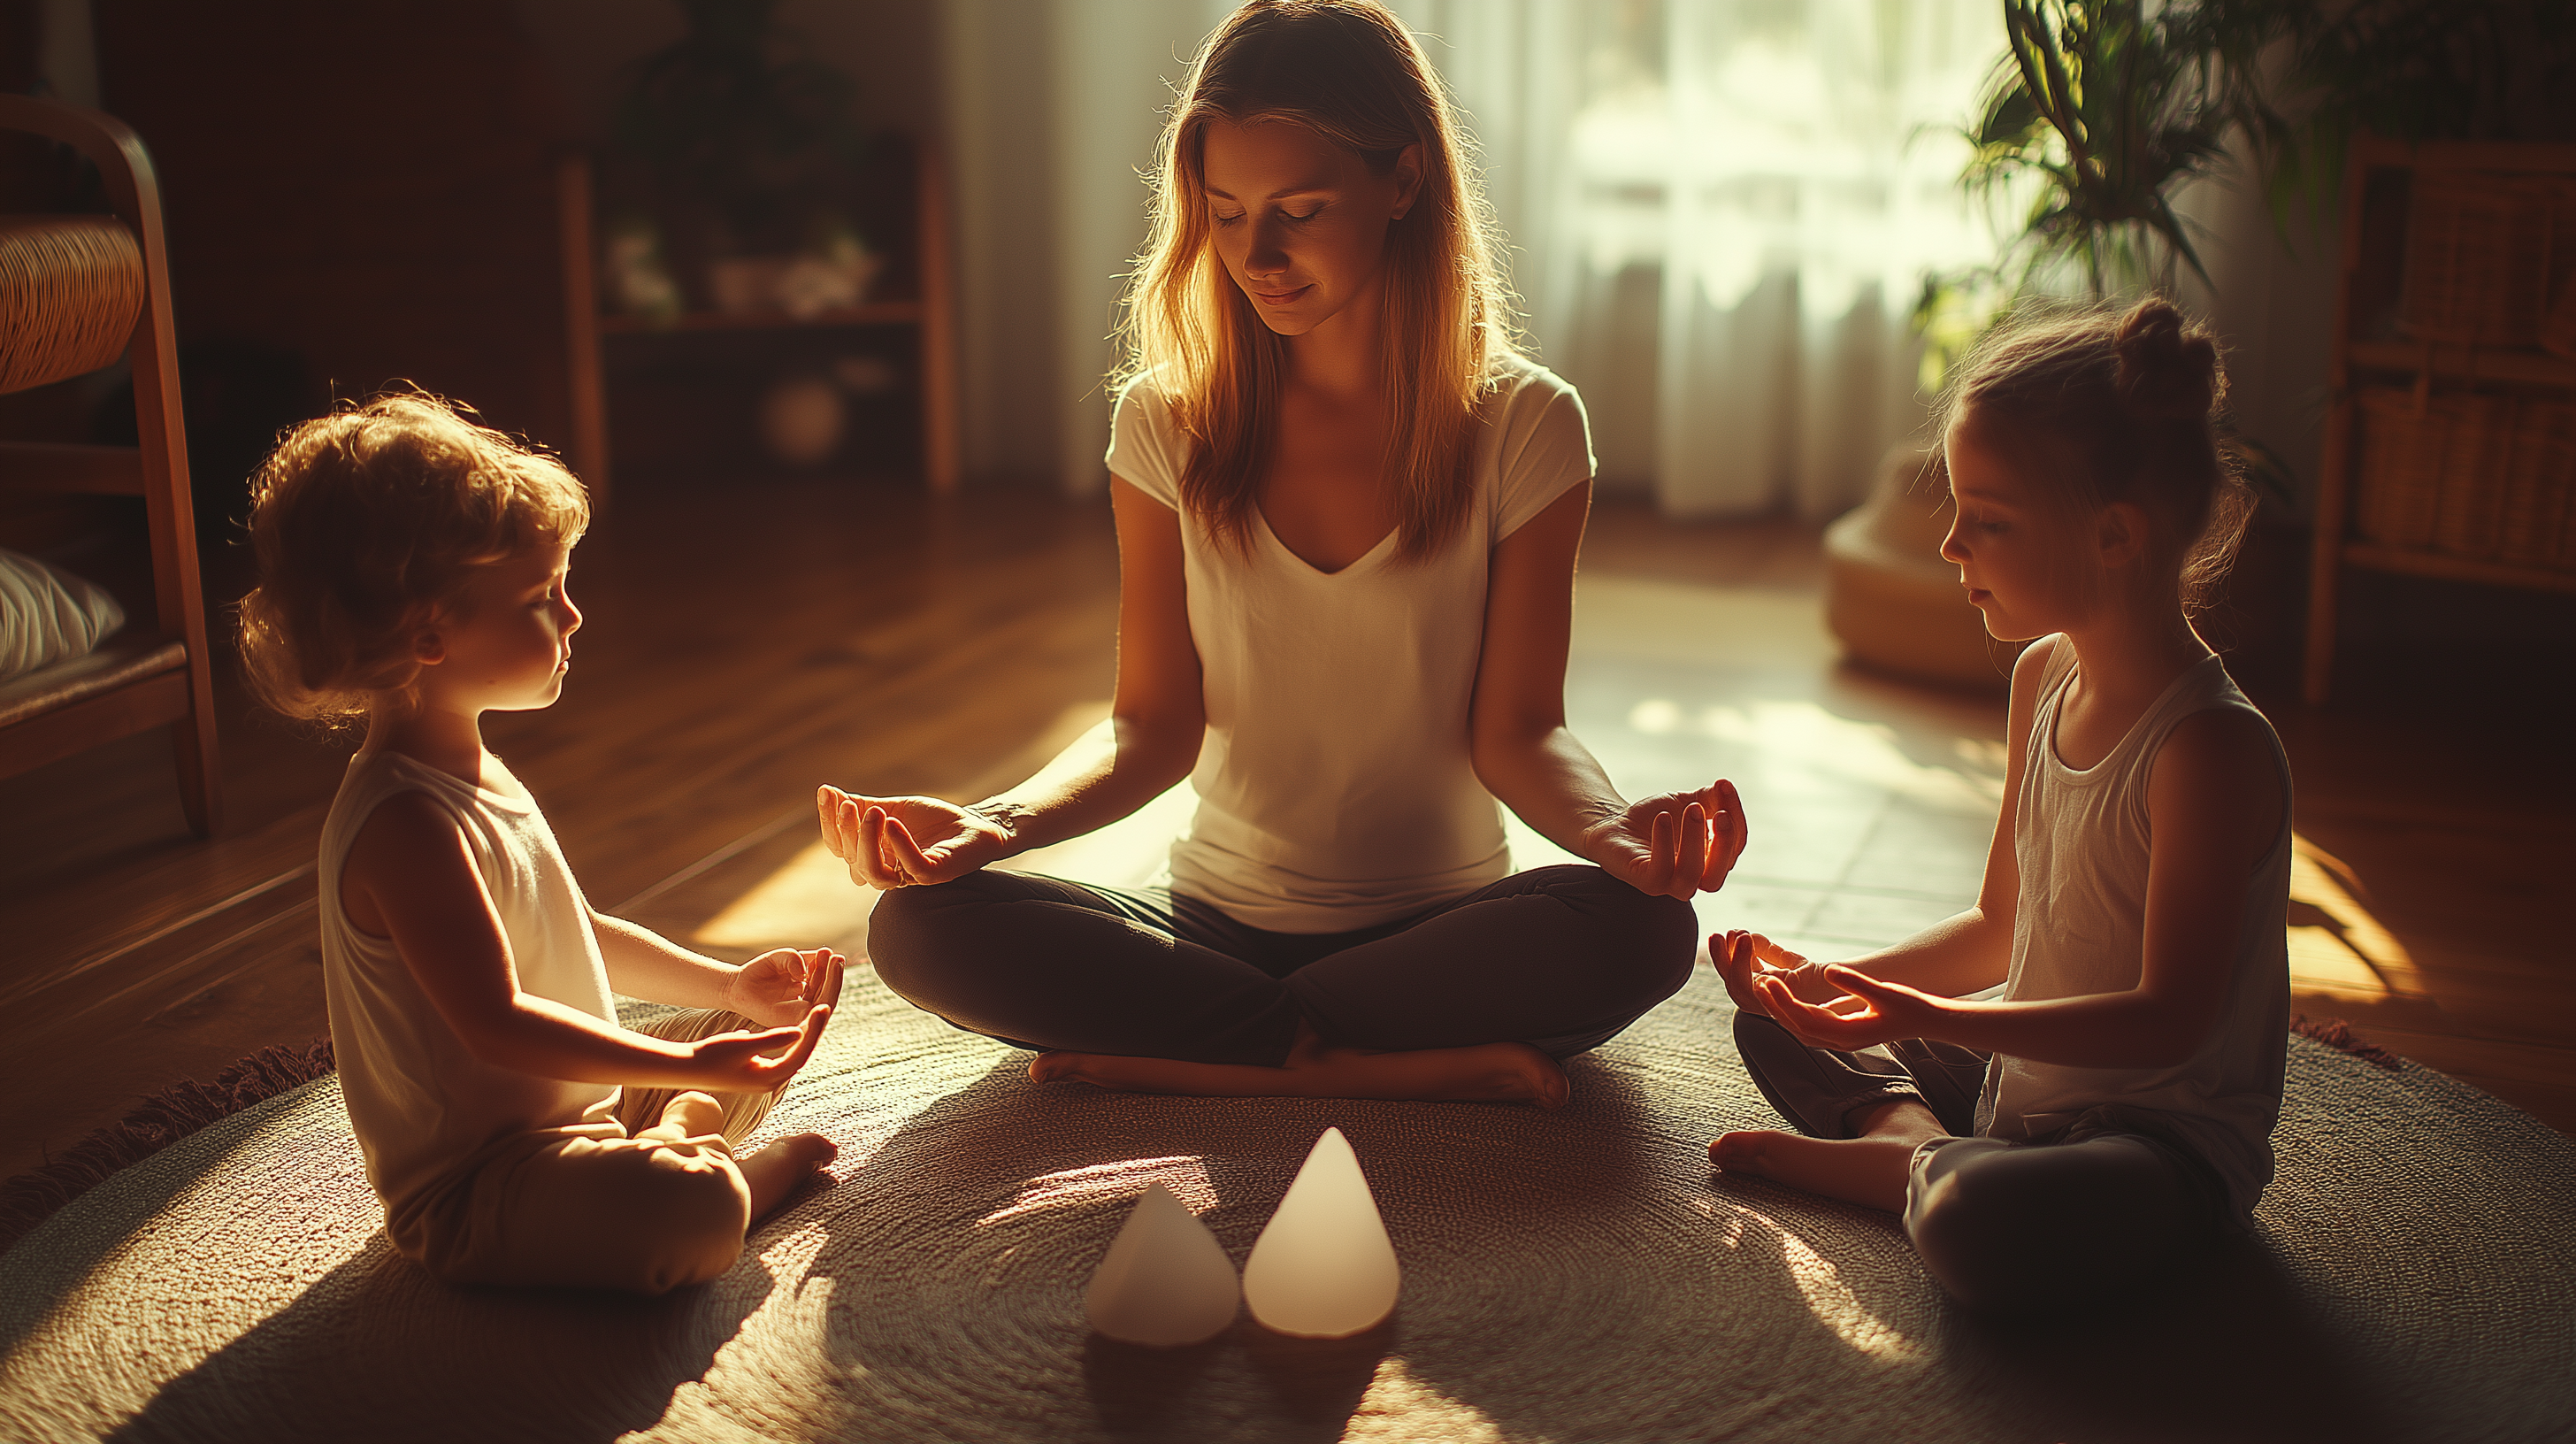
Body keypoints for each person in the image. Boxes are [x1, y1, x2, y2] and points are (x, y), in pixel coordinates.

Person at [819, 0, 1744, 1106]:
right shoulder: (1161, 420)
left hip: (1439, 934)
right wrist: (993, 823)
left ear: (1403, 182)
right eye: (1224, 212)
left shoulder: (1525, 421)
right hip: (1211, 926)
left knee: (1642, 927)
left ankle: (1218, 1059)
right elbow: (1148, 728)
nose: (1257, 254)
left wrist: (1611, 834)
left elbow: (1518, 730)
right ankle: (1358, 1064)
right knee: (919, 927)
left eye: (1299, 211)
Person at [1708, 298, 2293, 1313]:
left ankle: (1916, 1168)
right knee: (1773, 1025)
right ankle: (1922, 1154)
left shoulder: (2206, 747)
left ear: (2111, 536)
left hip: (2153, 1148)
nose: (1947, 545)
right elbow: (1998, 927)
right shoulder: (2041, 679)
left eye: (1987, 518)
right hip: (2013, 1097)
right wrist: (1831, 981)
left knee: (1980, 1224)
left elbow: (2169, 1018)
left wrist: (1925, 1015)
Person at [238, 393, 844, 1295]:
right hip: (484, 1186)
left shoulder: (473, 767)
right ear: (426, 634)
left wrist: (724, 990)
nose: (573, 617)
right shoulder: (405, 821)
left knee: (750, 1033)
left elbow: (577, 929)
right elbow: (496, 1024)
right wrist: (679, 1071)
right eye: (540, 596)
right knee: (682, 1215)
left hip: (578, 1116)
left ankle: (683, 1136)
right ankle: (707, 1166)